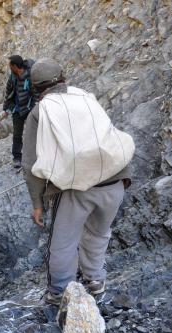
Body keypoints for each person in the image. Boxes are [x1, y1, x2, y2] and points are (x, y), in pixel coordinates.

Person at [22, 58, 132, 305]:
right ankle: (95, 282)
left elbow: (30, 165)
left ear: (36, 87)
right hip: (114, 181)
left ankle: (59, 294)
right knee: (98, 234)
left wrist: (37, 203)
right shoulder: (86, 97)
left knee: (62, 244)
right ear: (63, 77)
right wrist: (124, 175)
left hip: (76, 188)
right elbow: (108, 134)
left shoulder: (40, 112)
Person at [2, 55, 36, 168]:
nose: (9, 67)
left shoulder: (29, 75)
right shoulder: (12, 77)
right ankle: (17, 158)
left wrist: (34, 106)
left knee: (34, 132)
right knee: (17, 134)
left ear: (15, 66)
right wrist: (6, 109)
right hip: (17, 109)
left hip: (29, 108)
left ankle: (36, 156)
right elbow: (8, 92)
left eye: (10, 65)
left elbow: (34, 92)